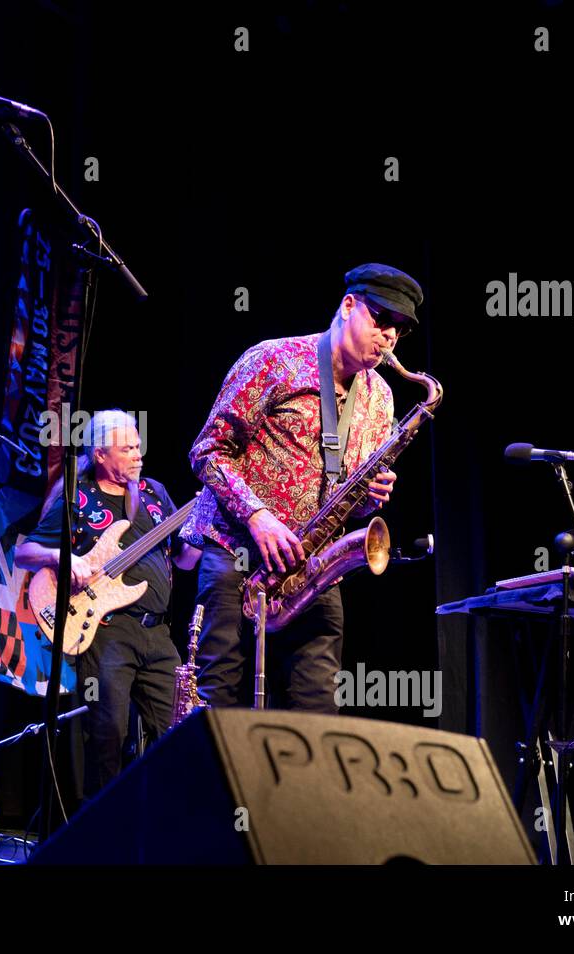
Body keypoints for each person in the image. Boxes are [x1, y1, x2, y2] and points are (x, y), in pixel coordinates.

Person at [180, 264, 423, 712]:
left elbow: (342, 498)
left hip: (313, 567)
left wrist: (365, 500)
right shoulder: (273, 359)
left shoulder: (382, 397)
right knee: (220, 706)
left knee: (317, 712)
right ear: (349, 305)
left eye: (399, 329)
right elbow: (207, 451)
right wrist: (257, 516)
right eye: (381, 319)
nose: (389, 336)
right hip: (236, 553)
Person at [16, 410, 200, 797]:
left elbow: (183, 560)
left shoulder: (154, 493)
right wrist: (69, 560)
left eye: (138, 446)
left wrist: (204, 531)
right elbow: (26, 552)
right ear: (100, 455)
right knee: (107, 738)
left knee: (180, 729)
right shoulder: (78, 497)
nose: (138, 455)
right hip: (106, 632)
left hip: (158, 633)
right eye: (127, 449)